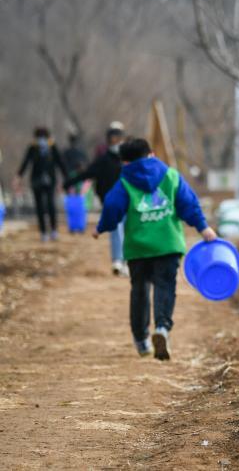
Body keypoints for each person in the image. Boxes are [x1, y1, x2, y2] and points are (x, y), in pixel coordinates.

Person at [92, 137, 217, 360]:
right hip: (168, 244)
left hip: (138, 248)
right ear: (151, 154)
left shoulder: (125, 182)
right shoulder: (171, 176)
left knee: (139, 290)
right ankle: (162, 328)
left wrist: (101, 227)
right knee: (165, 286)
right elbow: (189, 204)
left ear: (125, 162)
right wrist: (203, 227)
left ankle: (141, 340)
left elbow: (112, 207)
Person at [65, 126, 127, 276]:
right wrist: (68, 183)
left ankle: (126, 261)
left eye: (118, 140)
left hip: (128, 200)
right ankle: (117, 260)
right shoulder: (103, 161)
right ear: (108, 142)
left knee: (127, 230)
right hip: (110, 201)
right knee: (116, 229)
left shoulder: (127, 161)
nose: (116, 144)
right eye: (113, 141)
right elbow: (87, 174)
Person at [15, 127, 68, 242]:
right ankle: (45, 232)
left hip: (48, 180)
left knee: (49, 205)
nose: (41, 140)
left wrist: (66, 178)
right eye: (40, 137)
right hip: (38, 180)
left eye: (43, 137)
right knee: (41, 206)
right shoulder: (33, 148)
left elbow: (60, 162)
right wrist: (18, 176)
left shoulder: (51, 147)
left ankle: (51, 231)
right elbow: (26, 162)